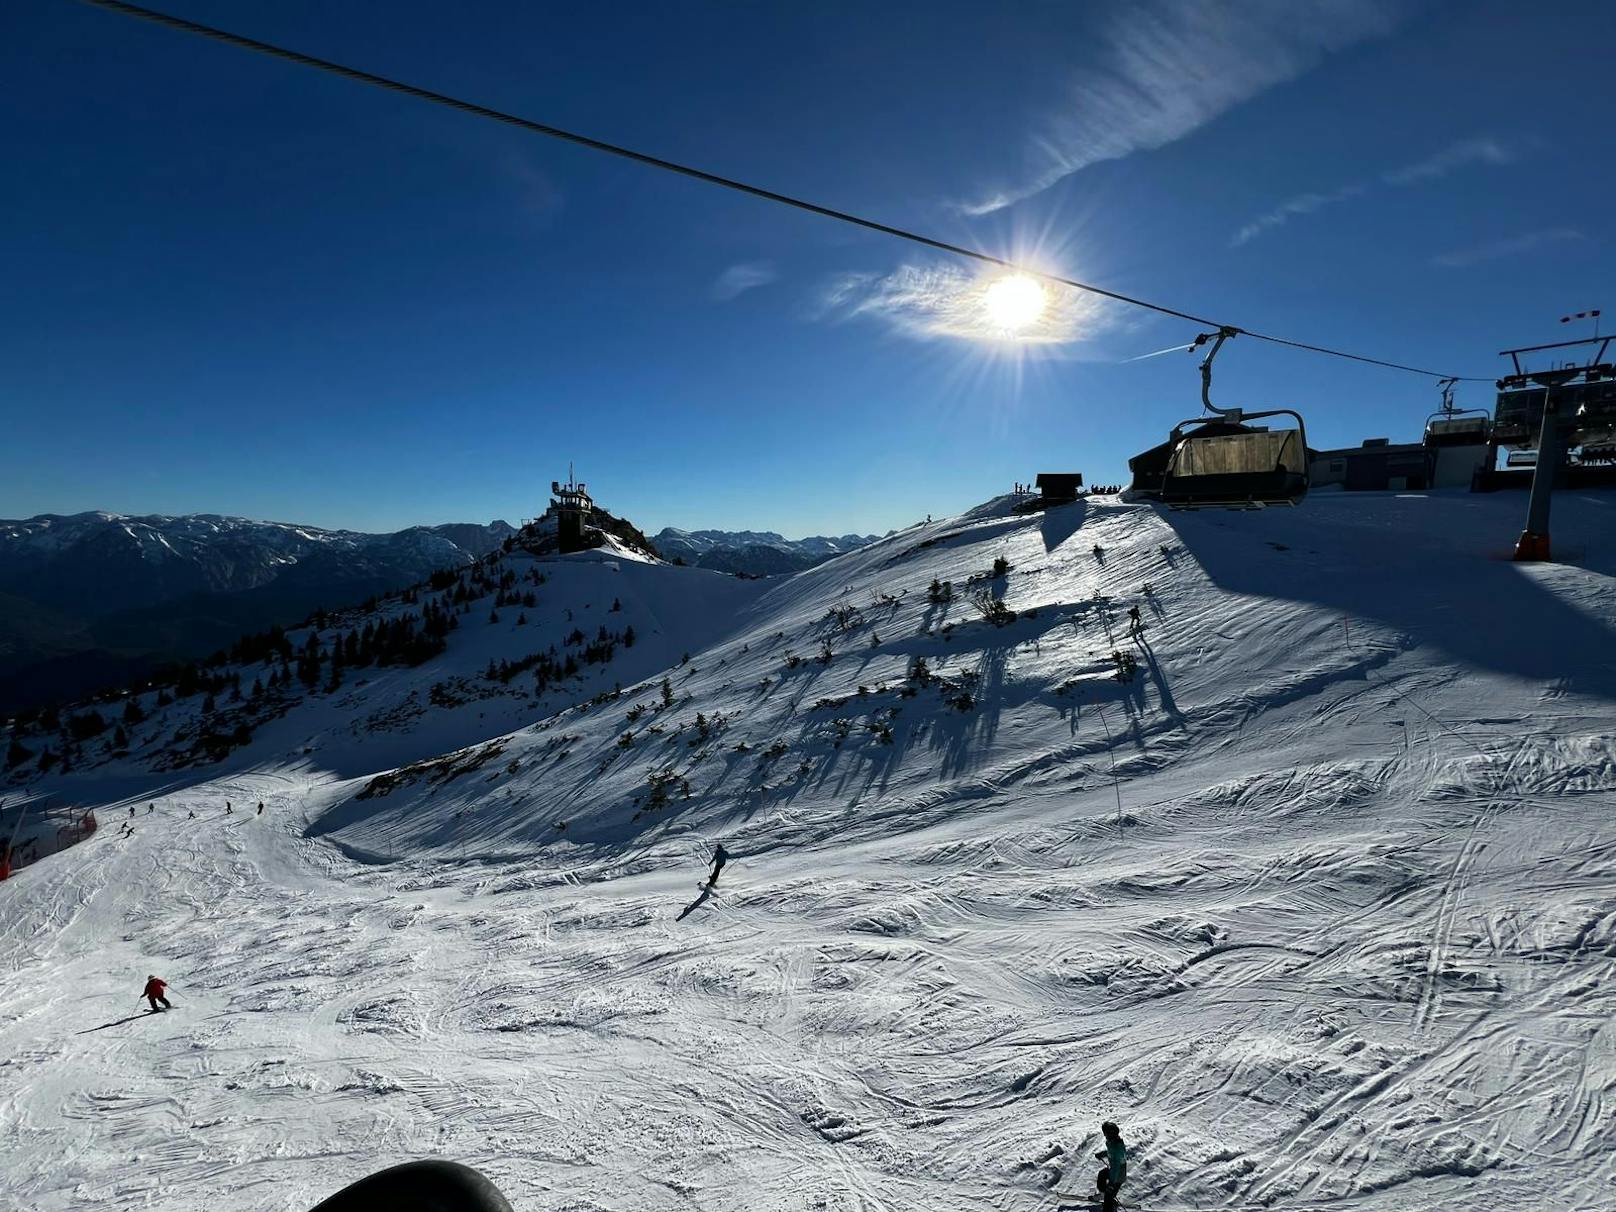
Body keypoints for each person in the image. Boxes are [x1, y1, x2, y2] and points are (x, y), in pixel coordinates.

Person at [1095, 1121, 1127, 1211]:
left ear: (1110, 1134)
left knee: (1108, 1200)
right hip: (1114, 1171)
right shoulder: (1113, 1142)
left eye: (1105, 1133)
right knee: (1102, 1174)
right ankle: (1105, 1194)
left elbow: (1117, 1166)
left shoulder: (1116, 1147)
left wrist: (1111, 1184)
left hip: (1118, 1176)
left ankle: (1109, 1202)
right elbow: (1110, 1153)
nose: (1104, 1135)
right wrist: (1102, 1154)